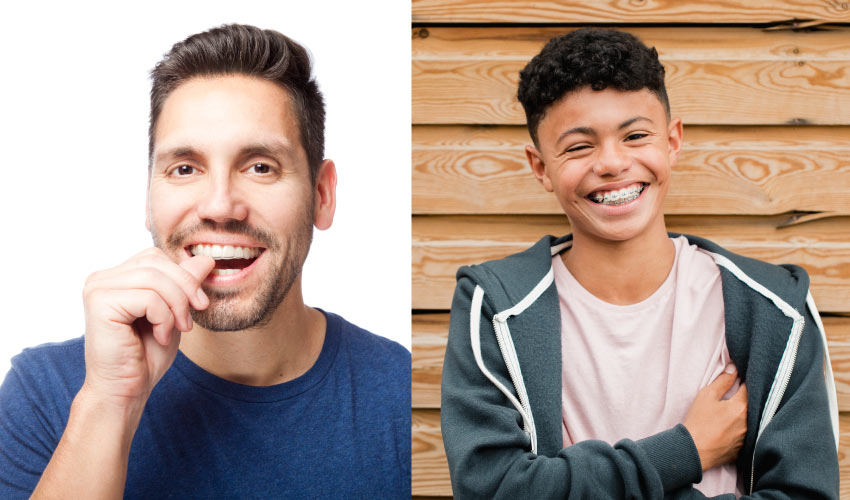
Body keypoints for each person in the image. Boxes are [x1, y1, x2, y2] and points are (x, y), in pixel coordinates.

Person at [0, 24, 410, 499]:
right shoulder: (45, 394)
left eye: (261, 166)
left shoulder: (401, 394)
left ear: (321, 195)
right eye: (185, 168)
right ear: (149, 196)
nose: (219, 205)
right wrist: (109, 405)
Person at [440, 28, 838, 499]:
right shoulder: (495, 307)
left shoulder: (774, 308)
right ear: (540, 166)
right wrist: (685, 450)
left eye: (635, 135)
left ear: (672, 141)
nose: (611, 162)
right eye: (578, 146)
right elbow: (494, 489)